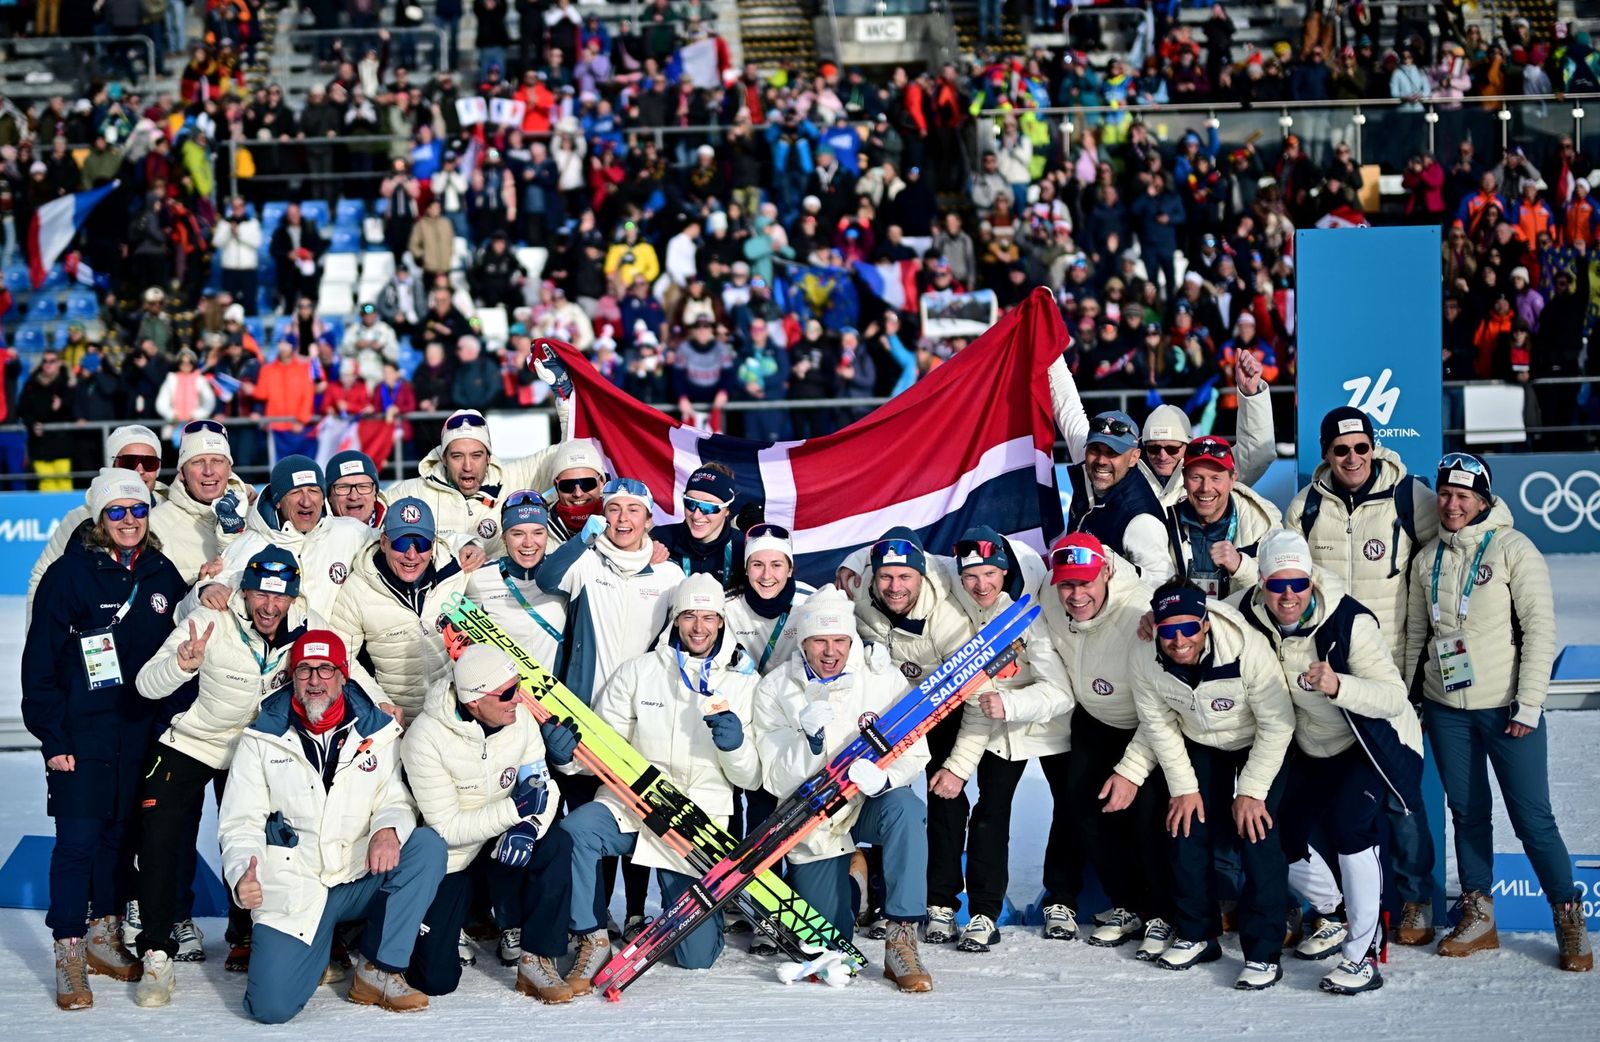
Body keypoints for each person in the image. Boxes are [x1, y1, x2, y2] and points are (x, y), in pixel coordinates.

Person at [131, 547, 370, 995]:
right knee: (161, 836)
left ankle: (249, 932)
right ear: (245, 591)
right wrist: (182, 665)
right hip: (190, 742)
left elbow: (346, 671)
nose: (269, 607)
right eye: (261, 594)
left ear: (294, 599)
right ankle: (157, 951)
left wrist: (383, 706)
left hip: (255, 748)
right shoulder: (210, 619)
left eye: (280, 598)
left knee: (268, 834)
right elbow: (147, 683)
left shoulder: (306, 625)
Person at [1404, 454, 1591, 972]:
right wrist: (1408, 695)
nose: (1452, 504)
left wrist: (1530, 703)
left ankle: (1567, 916)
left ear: (1484, 500)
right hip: (1447, 710)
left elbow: (1539, 632)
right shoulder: (1428, 558)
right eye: (1445, 494)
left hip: (1509, 709)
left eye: (1464, 496)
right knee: (1467, 814)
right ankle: (1480, 915)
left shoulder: (1513, 549)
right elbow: (1417, 637)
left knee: (1534, 819)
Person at [219, 631, 448, 1022]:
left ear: (343, 675)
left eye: (326, 669)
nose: (315, 679)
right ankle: (319, 947)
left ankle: (378, 970)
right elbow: (240, 822)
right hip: (298, 884)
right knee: (270, 1008)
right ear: (292, 676)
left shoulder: (378, 732)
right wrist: (242, 871)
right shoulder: (262, 738)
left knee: (426, 846)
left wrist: (388, 830)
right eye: (305, 669)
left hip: (357, 872)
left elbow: (397, 799)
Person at [23, 468, 187, 1011]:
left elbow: (180, 651)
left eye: (137, 510)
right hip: (81, 733)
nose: (128, 520)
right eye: (116, 512)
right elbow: (39, 665)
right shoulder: (69, 574)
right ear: (98, 518)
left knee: (120, 841)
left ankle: (103, 934)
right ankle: (69, 949)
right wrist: (52, 737)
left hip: (140, 734)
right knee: (77, 843)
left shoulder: (164, 573)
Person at [1235, 530, 1422, 995]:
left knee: (1350, 828)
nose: (1289, 595)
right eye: (1278, 585)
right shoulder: (1246, 612)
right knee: (1278, 831)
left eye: (1299, 584)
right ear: (1261, 584)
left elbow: (1393, 698)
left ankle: (1362, 956)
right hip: (1311, 746)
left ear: (1313, 580)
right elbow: (1203, 618)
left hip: (1374, 742)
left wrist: (1340, 686)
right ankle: (1333, 913)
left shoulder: (1349, 621)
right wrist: (1152, 621)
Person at [560, 575, 763, 993]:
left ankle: (708, 920)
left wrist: (736, 746)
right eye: (689, 615)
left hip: (696, 818)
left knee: (697, 959)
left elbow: (749, 777)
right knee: (576, 832)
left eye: (709, 617)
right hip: (633, 803)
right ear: (675, 619)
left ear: (722, 622)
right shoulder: (639, 671)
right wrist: (565, 755)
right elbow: (601, 752)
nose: (699, 626)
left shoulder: (744, 682)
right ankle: (590, 935)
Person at [1285, 405, 1440, 943]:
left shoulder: (1408, 496)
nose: (1353, 458)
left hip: (1386, 676)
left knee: (1401, 796)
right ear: (1326, 454)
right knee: (1336, 804)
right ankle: (1334, 911)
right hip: (1322, 681)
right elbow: (1287, 582)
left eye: (1361, 447)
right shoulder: (1306, 507)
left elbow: (1456, 538)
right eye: (1340, 449)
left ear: (1374, 447)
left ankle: (1416, 897)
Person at [754, 587, 933, 992]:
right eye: (819, 640)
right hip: (813, 819)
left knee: (905, 807)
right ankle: (856, 884)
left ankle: (901, 937)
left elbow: (916, 752)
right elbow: (775, 781)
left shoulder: (879, 677)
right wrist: (809, 743)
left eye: (839, 640)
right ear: (803, 643)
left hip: (868, 803)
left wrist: (886, 779)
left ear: (852, 641)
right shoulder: (775, 689)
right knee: (828, 946)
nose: (830, 651)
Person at [1132, 583, 1294, 989]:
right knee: (1184, 826)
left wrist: (1252, 791)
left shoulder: (1246, 648)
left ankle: (1262, 952)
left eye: (1188, 628)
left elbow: (1278, 723)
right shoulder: (1144, 656)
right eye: (1168, 630)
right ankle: (1197, 933)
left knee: (1258, 834)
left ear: (1205, 624)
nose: (1179, 640)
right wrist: (1184, 788)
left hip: (1260, 739)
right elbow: (1158, 725)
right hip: (1201, 740)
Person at [401, 645, 578, 1002]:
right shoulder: (424, 738)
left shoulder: (520, 719)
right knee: (434, 981)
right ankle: (455, 925)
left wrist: (527, 826)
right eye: (508, 692)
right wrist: (514, 811)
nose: (519, 698)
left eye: (518, 686)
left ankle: (537, 960)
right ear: (473, 702)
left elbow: (543, 789)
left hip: (502, 842)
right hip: (454, 857)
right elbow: (447, 827)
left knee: (556, 841)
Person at [926, 527, 1073, 952]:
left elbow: (1059, 692)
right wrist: (850, 566)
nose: (981, 585)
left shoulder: (1028, 616)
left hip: (1048, 722)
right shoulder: (961, 614)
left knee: (1070, 808)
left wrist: (1010, 705)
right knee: (991, 814)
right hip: (996, 728)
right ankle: (983, 913)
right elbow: (978, 703)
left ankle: (1061, 900)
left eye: (990, 574)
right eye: (971, 577)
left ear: (1004, 572)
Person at [1036, 533, 1174, 955]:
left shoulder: (1138, 615)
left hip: (1149, 725)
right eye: (1067, 585)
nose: (1076, 595)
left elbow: (1164, 709)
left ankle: (1161, 914)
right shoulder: (1048, 597)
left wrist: (1130, 771)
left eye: (1086, 583)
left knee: (1149, 816)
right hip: (1095, 720)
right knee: (1085, 807)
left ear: (1107, 573)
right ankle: (1127, 905)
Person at [329, 498, 476, 726]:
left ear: (433, 544)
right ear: (384, 542)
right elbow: (341, 657)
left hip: (454, 714)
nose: (411, 554)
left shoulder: (455, 573)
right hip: (398, 720)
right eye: (401, 543)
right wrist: (379, 702)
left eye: (421, 544)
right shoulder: (357, 590)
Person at [187, 456, 376, 621]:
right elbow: (191, 611)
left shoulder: (352, 533)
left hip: (338, 654)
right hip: (279, 659)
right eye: (295, 492)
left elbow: (394, 550)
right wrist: (203, 591)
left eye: (313, 490)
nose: (306, 501)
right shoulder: (250, 545)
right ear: (278, 501)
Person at [385, 407, 573, 560]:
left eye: (476, 455)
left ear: (489, 457)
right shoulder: (412, 493)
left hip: (501, 598)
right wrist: (456, 543)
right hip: (439, 600)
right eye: (457, 456)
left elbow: (572, 453)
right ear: (443, 458)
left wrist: (565, 402)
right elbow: (371, 530)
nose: (468, 466)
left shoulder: (513, 479)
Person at [28, 424, 168, 626]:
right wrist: (39, 641)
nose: (139, 470)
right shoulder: (79, 519)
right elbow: (43, 579)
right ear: (111, 465)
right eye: (129, 462)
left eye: (149, 462)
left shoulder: (173, 512)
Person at [1132, 350, 1275, 506]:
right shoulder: (1127, 478)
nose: (1162, 455)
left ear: (1187, 446)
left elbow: (1256, 454)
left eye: (1172, 448)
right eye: (1153, 448)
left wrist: (1251, 394)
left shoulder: (1212, 472)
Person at [1064, 410, 1178, 583]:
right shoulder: (1089, 471)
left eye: (1113, 453)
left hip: (1112, 608)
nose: (1101, 460)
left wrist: (1112, 569)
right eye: (1095, 449)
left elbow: (1162, 583)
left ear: (1134, 458)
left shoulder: (1141, 520)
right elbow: (1068, 412)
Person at [468, 493, 569, 672]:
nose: (528, 543)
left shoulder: (566, 572)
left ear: (547, 535)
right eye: (518, 534)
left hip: (559, 694)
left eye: (538, 533)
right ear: (504, 538)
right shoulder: (479, 578)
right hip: (506, 695)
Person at [1171, 436, 1281, 599]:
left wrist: (1241, 566)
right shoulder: (1163, 521)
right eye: (1196, 477)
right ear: (1184, 479)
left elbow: (1282, 594)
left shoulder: (1263, 525)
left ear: (1232, 479)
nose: (1206, 488)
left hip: (1240, 622)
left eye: (1216, 478)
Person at [147, 420, 255, 584]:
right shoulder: (156, 525)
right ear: (182, 472)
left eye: (217, 461)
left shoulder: (254, 515)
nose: (208, 471)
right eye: (197, 462)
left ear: (229, 469)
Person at [723, 523, 816, 677]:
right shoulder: (727, 605)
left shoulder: (811, 602)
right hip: (746, 692)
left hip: (795, 693)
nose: (766, 575)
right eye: (757, 565)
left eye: (776, 565)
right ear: (746, 569)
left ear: (790, 569)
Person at [650, 462, 746, 590]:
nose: (696, 515)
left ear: (727, 511)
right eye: (690, 503)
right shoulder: (660, 539)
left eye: (708, 507)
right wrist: (643, 554)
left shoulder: (743, 547)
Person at [541, 439, 608, 544]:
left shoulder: (620, 524)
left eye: (587, 483)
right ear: (556, 485)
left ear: (601, 482)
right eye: (568, 485)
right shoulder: (538, 530)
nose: (578, 493)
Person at [325, 449, 385, 528]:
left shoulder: (397, 529)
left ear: (375, 494)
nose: (354, 497)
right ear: (329, 496)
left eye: (363, 487)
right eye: (344, 487)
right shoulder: (311, 535)